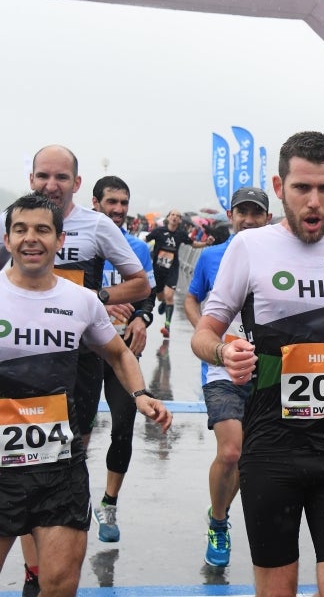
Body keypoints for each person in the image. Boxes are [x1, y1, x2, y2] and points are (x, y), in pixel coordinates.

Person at [190, 130, 324, 597]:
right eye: (301, 188)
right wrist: (223, 352)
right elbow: (204, 333)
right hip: (272, 449)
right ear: (278, 185)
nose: (314, 202)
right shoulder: (249, 248)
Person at [0, 194, 172, 597]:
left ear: (60, 240)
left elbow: (117, 353)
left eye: (42, 230)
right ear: (7, 240)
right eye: (20, 229)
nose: (31, 238)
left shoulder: (80, 301)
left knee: (60, 584)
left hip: (59, 467)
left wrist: (140, 393)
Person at [184, 186, 272, 568]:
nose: (249, 220)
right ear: (230, 215)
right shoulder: (212, 257)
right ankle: (219, 523)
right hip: (221, 367)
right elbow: (191, 297)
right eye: (242, 212)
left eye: (256, 213)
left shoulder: (278, 255)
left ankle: (220, 509)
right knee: (231, 450)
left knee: (249, 456)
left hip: (266, 369)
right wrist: (205, 334)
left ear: (268, 218)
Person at [90, 175, 158, 544]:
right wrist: (103, 298)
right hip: (84, 351)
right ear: (95, 202)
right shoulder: (80, 242)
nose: (117, 209)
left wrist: (141, 319)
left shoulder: (137, 247)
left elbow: (146, 296)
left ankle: (109, 502)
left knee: (123, 425)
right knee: (76, 428)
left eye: (123, 203)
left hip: (122, 352)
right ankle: (71, 496)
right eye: (111, 202)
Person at [145, 209, 213, 337]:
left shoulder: (181, 234)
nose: (175, 217)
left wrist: (206, 243)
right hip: (158, 270)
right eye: (172, 215)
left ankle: (167, 327)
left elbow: (193, 244)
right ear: (168, 217)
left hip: (172, 269)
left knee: (169, 295)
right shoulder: (159, 232)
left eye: (177, 216)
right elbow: (145, 240)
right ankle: (164, 303)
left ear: (180, 220)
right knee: (161, 296)